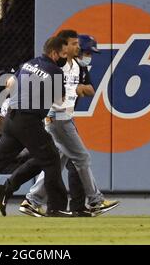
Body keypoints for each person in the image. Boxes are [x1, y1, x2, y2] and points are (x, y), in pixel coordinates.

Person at [0, 36, 71, 217]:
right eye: (63, 53)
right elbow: (59, 100)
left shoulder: (28, 64)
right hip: (29, 121)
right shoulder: (55, 71)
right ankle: (57, 207)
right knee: (52, 159)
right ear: (54, 53)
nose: (65, 56)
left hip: (12, 118)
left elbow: (10, 83)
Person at [19, 31, 119, 217]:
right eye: (79, 47)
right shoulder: (59, 65)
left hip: (65, 117)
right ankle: (96, 201)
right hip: (56, 117)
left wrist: (79, 88)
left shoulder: (78, 67)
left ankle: (31, 201)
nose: (84, 53)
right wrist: (74, 88)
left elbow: (89, 89)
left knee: (57, 162)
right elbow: (51, 86)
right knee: (82, 158)